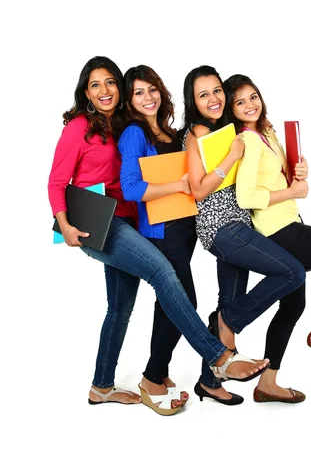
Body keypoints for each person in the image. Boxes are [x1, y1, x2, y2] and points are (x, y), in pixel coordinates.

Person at [48, 56, 269, 417]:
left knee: (119, 309)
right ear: (86, 92)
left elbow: (134, 180)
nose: (105, 91)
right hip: (98, 220)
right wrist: (65, 224)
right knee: (164, 277)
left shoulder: (120, 127)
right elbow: (60, 181)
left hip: (127, 219)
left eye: (111, 84)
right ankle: (218, 357)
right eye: (95, 84)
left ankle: (102, 386)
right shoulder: (86, 128)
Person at [224, 73, 311, 403]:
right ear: (232, 110)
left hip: (288, 223)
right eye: (240, 102)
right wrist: (291, 190)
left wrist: (297, 171)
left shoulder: (266, 133)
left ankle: (267, 383)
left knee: (293, 305)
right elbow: (247, 196)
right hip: (279, 230)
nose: (250, 105)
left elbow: (278, 178)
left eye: (253, 97)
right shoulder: (246, 140)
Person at [181, 65, 306, 406]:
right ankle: (228, 323)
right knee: (292, 271)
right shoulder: (197, 134)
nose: (212, 99)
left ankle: (209, 381)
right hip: (221, 228)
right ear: (193, 102)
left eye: (216, 91)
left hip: (243, 223)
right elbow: (198, 190)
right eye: (202, 94)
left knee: (229, 298)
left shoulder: (230, 128)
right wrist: (232, 155)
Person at [118, 64, 197, 412]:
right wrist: (177, 186)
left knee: (166, 304)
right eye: (138, 92)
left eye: (151, 89)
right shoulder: (135, 133)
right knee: (186, 302)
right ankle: (151, 377)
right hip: (160, 231)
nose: (147, 97)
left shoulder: (168, 131)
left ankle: (160, 369)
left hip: (184, 228)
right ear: (130, 100)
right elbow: (131, 187)